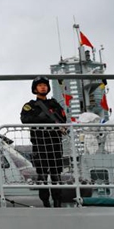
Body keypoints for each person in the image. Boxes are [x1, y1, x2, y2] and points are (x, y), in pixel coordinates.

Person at [21, 76, 67, 207]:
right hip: (40, 143)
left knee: (56, 174)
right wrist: (43, 119)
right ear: (35, 89)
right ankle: (45, 202)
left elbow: (63, 119)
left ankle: (58, 202)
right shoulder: (30, 106)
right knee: (42, 175)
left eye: (45, 85)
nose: (43, 87)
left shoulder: (55, 104)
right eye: (40, 85)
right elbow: (25, 119)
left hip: (55, 143)